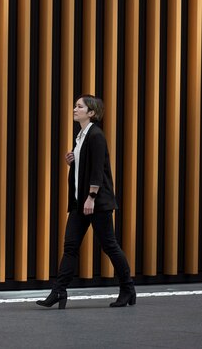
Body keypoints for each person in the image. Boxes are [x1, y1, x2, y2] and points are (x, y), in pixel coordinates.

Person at [37, 94, 135, 309]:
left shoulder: (96, 136)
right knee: (70, 246)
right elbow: (86, 169)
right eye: (75, 106)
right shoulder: (81, 136)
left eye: (79, 106)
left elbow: (98, 170)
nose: (75, 109)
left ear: (91, 112)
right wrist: (73, 162)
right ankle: (58, 292)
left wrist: (91, 197)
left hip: (96, 203)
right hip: (80, 202)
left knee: (109, 245)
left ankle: (127, 288)